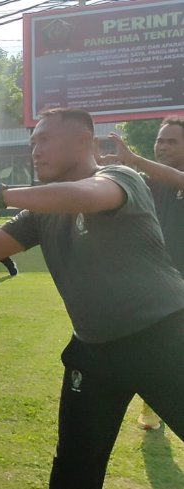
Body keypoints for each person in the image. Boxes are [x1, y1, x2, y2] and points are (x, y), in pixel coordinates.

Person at [0, 108, 184, 488]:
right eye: (32, 143)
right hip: (93, 351)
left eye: (44, 140)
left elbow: (89, 196)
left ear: (83, 142)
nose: (35, 150)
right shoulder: (40, 211)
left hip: (162, 336)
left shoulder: (119, 177)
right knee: (74, 471)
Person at [98, 115, 184, 432]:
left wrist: (133, 159)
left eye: (171, 141)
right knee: (157, 349)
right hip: (161, 282)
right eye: (160, 140)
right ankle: (152, 409)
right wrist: (102, 168)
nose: (162, 146)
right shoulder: (151, 180)